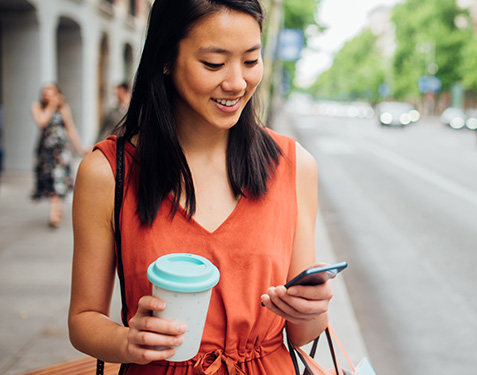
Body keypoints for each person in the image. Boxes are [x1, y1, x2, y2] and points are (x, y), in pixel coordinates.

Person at [68, 1, 332, 374]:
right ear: (165, 58)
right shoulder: (108, 172)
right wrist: (127, 341)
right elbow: (83, 318)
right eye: (214, 63)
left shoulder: (294, 165)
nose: (237, 83)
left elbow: (304, 334)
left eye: (251, 60)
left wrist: (313, 307)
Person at [30, 82, 88, 227]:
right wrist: (51, 106)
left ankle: (54, 214)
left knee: (58, 179)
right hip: (46, 151)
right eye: (46, 93)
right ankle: (57, 209)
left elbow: (70, 128)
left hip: (62, 151)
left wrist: (80, 148)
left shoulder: (63, 107)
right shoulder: (37, 106)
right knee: (51, 180)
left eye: (51, 93)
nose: (48, 96)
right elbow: (42, 121)